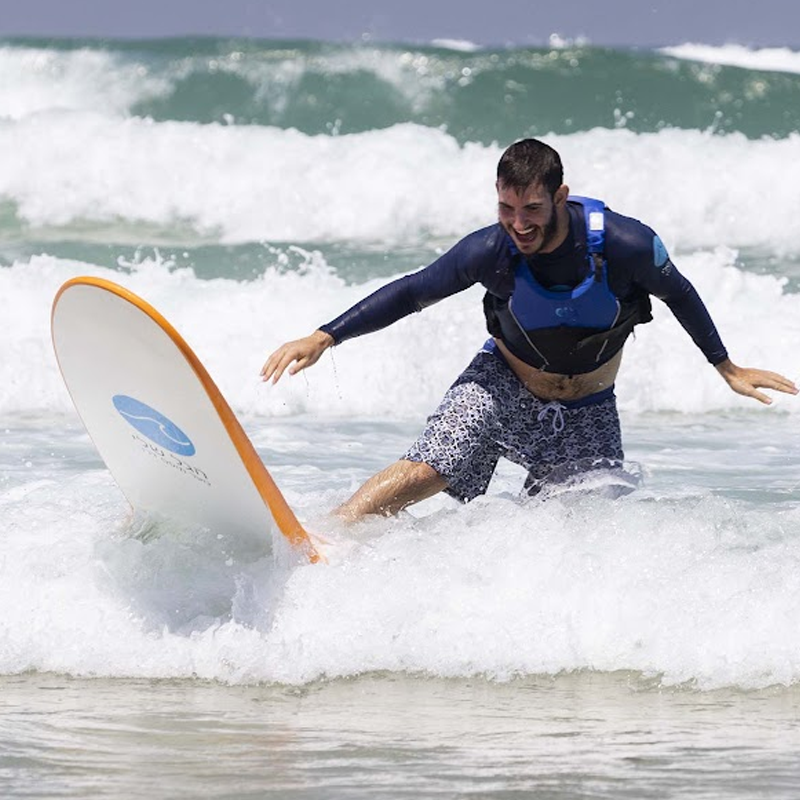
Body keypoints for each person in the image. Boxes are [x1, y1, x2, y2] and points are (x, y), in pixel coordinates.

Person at [261, 138, 798, 521]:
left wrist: (725, 366)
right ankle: (325, 538)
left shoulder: (625, 245)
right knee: (428, 468)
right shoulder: (489, 251)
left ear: (561, 197)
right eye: (506, 207)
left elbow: (678, 292)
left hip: (588, 412)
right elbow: (411, 291)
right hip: (500, 385)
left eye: (532, 208)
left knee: (579, 536)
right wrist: (325, 335)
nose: (519, 223)